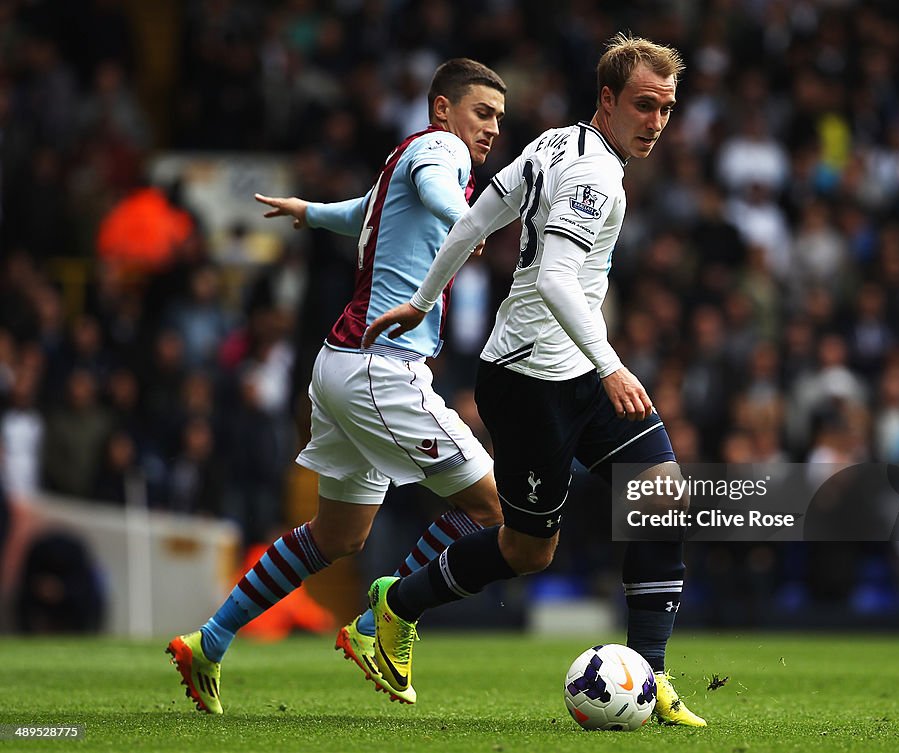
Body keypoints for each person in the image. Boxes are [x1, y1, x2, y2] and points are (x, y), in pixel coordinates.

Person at [362, 34, 706, 727]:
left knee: (662, 497)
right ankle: (397, 604)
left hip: (573, 369)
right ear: (606, 100)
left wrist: (423, 299)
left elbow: (477, 218)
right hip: (528, 383)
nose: (656, 122)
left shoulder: (556, 145)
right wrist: (611, 365)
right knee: (528, 549)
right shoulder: (592, 176)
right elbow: (550, 276)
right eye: (643, 106)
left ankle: (653, 675)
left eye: (665, 109)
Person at [167, 58, 507, 713]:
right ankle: (385, 616)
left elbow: (366, 213)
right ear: (443, 110)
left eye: (498, 118)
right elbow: (440, 194)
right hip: (383, 369)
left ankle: (207, 642)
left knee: (337, 536)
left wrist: (310, 211)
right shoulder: (442, 151)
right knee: (494, 507)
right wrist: (469, 218)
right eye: (482, 113)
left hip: (340, 365)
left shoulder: (402, 156)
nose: (491, 128)